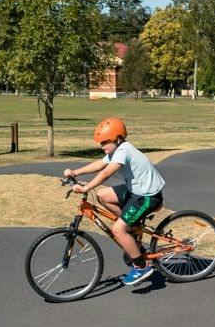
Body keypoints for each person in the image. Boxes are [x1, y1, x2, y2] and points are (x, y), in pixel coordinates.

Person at [62, 116, 165, 289]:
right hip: (135, 191)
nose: (101, 146)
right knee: (102, 195)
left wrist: (86, 188)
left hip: (148, 196)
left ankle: (142, 267)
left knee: (118, 230)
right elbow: (99, 165)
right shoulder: (117, 150)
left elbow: (106, 173)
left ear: (117, 139)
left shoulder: (124, 150)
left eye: (104, 142)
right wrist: (75, 172)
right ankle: (131, 227)